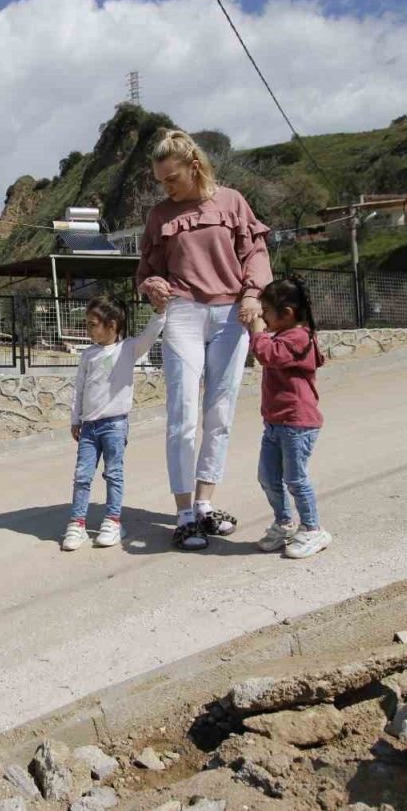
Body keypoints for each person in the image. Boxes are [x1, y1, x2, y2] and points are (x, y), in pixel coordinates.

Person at [136, 129, 273, 551]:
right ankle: (182, 515)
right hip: (183, 312)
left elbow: (256, 253)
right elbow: (147, 269)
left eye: (171, 178)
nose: (166, 187)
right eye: (161, 180)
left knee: (221, 412)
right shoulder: (160, 215)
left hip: (231, 314)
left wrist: (252, 293)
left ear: (194, 166)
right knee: (183, 413)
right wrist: (153, 285)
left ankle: (203, 506)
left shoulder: (232, 201)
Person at [64, 296, 167, 551]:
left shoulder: (129, 348)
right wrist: (75, 419)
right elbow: (79, 389)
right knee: (82, 476)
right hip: (89, 427)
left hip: (115, 425)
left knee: (114, 473)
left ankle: (113, 521)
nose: (87, 329)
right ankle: (77, 523)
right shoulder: (88, 355)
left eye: (92, 324)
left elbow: (151, 334)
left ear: (111, 325)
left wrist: (160, 311)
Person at [249, 276, 331, 559]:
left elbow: (267, 355)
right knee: (269, 476)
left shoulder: (298, 337)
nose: (263, 317)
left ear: (287, 314)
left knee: (295, 478)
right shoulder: (286, 336)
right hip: (275, 423)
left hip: (297, 424)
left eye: (267, 312)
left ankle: (312, 529)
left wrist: (256, 331)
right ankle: (284, 522)